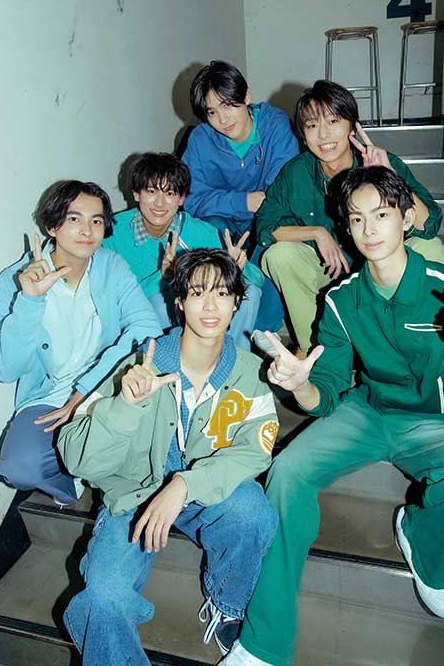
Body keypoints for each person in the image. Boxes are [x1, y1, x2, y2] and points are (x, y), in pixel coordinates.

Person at [221, 166, 444, 666]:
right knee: (287, 470)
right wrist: (301, 384)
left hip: (437, 423)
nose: (369, 229)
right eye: (356, 219)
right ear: (346, 227)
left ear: (406, 220)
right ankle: (263, 642)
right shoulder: (341, 299)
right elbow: (327, 392)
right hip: (368, 411)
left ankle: (423, 541)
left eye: (382, 214)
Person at [58, 249, 280, 664]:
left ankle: (227, 604)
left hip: (202, 495)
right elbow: (76, 458)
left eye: (222, 293)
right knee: (102, 600)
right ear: (179, 302)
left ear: (237, 302)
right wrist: (124, 407)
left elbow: (255, 451)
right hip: (134, 499)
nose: (210, 306)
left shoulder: (250, 373)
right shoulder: (140, 364)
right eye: (197, 293)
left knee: (252, 511)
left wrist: (184, 484)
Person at [0, 180, 161, 506]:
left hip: (108, 385)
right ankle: (73, 480)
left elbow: (147, 328)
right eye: (74, 219)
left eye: (96, 220)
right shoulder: (15, 279)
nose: (87, 230)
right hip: (50, 396)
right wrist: (30, 300)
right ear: (52, 226)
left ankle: (104, 470)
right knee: (19, 466)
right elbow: (3, 369)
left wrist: (86, 391)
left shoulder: (110, 266)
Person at [254, 79, 444, 353]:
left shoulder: (382, 162)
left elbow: (429, 224)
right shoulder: (295, 173)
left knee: (430, 248)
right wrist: (317, 233)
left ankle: (413, 345)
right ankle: (320, 353)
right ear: (303, 134)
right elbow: (266, 226)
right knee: (279, 255)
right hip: (328, 272)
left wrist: (390, 176)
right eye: (312, 126)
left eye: (333, 121)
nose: (323, 135)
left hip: (382, 269)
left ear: (353, 127)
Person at [103, 152, 274, 348]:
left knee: (249, 294)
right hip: (145, 320)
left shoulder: (199, 232)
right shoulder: (113, 234)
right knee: (160, 302)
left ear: (182, 198)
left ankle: (232, 358)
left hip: (200, 309)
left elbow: (257, 282)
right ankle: (163, 361)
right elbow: (113, 297)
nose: (159, 203)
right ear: (136, 193)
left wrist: (237, 268)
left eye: (170, 194)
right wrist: (164, 278)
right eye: (151, 191)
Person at [181, 60, 299, 240]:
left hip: (270, 221)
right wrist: (243, 202)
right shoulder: (200, 140)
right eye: (212, 112)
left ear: (246, 97)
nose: (222, 120)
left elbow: (278, 198)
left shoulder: (276, 127)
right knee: (205, 229)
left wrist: (221, 202)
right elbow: (191, 200)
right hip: (223, 222)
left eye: (226, 105)